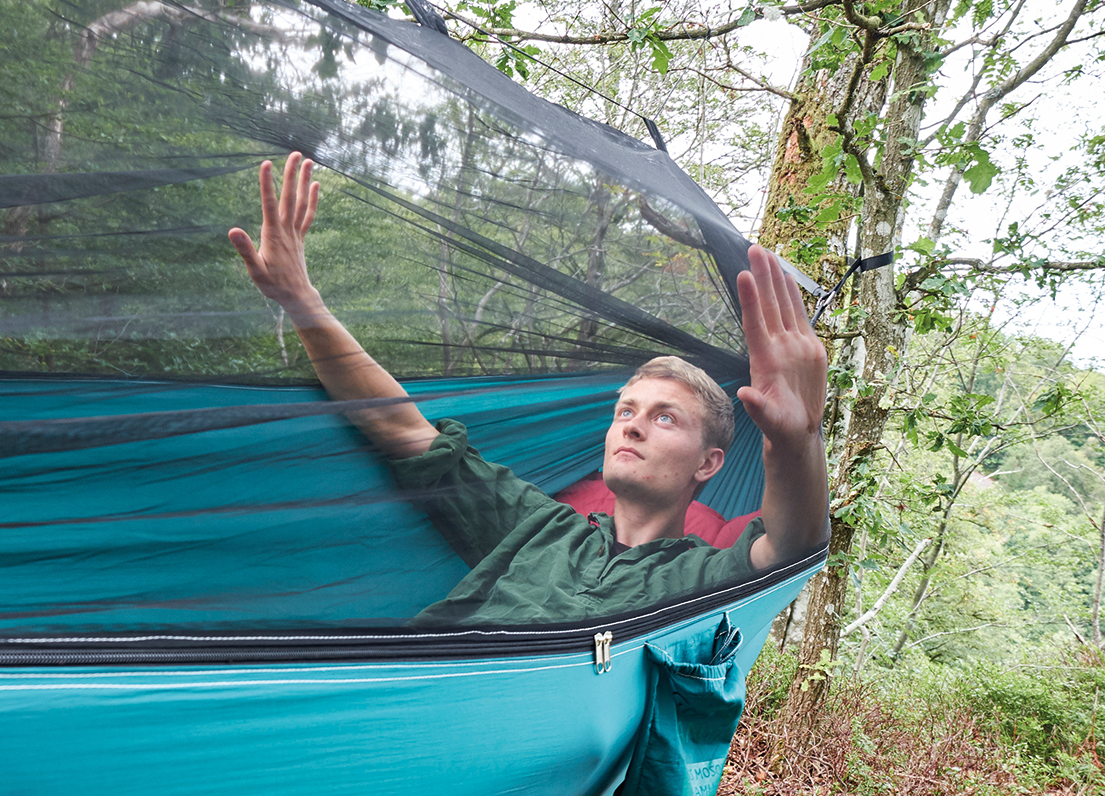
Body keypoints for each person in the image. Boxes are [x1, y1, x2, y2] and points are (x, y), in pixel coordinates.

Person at [230, 153, 830, 627]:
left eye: (665, 417)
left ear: (710, 463)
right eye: (626, 410)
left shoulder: (701, 577)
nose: (633, 424)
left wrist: (798, 442)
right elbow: (404, 428)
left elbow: (789, 546)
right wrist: (301, 302)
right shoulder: (538, 526)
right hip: (405, 696)